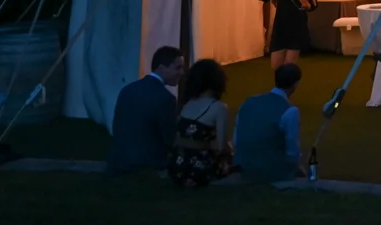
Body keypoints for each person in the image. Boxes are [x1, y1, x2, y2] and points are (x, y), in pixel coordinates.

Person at [107, 46, 184, 174]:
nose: (182, 72)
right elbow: (170, 138)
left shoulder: (128, 90)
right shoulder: (165, 98)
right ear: (162, 68)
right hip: (148, 164)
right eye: (178, 68)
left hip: (120, 160)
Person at [234, 63, 303, 183]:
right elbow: (292, 152)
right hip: (271, 170)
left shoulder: (249, 102)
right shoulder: (290, 111)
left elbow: (236, 140)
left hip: (244, 166)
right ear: (296, 83)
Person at [169, 58, 232, 188]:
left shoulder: (187, 104)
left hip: (177, 167)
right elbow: (221, 147)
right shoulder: (219, 107)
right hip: (199, 169)